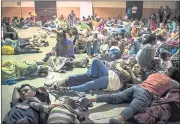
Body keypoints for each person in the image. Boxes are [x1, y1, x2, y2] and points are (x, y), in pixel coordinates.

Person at [79, 67, 180, 123]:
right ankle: (118, 120)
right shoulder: (171, 82)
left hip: (137, 87)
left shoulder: (155, 74)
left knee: (116, 97)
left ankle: (90, 100)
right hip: (147, 93)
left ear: (167, 71)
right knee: (134, 107)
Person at [45, 57, 143, 92]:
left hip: (113, 81)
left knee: (89, 84)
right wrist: (122, 67)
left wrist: (130, 71)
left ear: (140, 72)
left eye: (138, 67)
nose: (135, 66)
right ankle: (60, 82)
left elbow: (137, 82)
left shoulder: (136, 76)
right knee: (95, 61)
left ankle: (67, 88)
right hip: (109, 73)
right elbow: (115, 64)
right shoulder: (123, 65)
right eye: (134, 65)